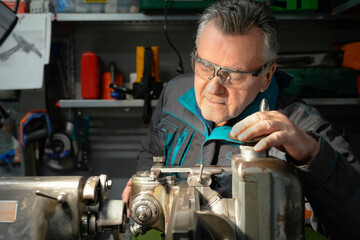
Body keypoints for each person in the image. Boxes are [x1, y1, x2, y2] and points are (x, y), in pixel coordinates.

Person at [122, 0, 360, 239]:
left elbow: (353, 224)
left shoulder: (303, 129)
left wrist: (312, 157)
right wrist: (146, 188)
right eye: (205, 65)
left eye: (233, 74)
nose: (213, 88)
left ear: (266, 76)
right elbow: (151, 151)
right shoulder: (173, 94)